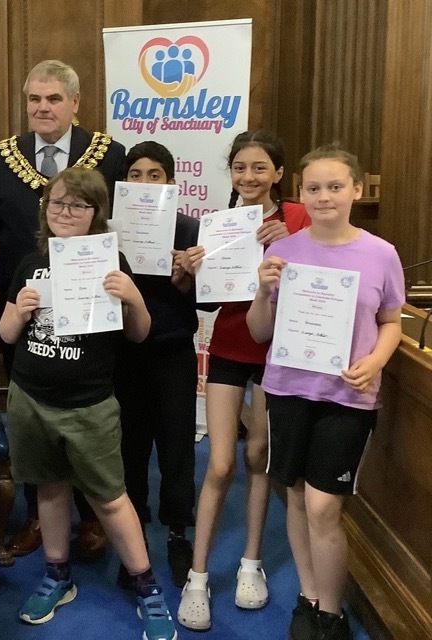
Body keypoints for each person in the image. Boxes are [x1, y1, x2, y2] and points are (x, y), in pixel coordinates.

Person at [0, 166, 176, 640]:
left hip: (89, 403)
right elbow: (6, 333)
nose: (66, 212)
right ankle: (58, 573)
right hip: (30, 397)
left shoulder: (111, 261)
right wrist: (19, 311)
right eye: (57, 203)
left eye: (78, 205)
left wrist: (135, 298)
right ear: (45, 208)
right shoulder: (29, 262)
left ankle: (147, 586)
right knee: (49, 489)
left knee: (110, 498)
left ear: (97, 213)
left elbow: (138, 335)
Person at [247, 144, 403, 640]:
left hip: (347, 398)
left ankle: (332, 612)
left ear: (356, 189)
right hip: (289, 390)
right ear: (301, 194)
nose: (324, 196)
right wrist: (262, 290)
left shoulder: (381, 253)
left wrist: (375, 360)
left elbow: (392, 322)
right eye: (313, 188)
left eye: (335, 186)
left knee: (323, 506)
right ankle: (309, 595)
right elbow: (257, 332)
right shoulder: (282, 250)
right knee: (294, 496)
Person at [0, 58, 126, 560]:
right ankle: (39, 521)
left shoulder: (111, 154)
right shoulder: (1, 158)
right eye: (34, 99)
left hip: (92, 318)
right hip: (26, 308)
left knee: (89, 424)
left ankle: (94, 517)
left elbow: (131, 226)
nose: (42, 108)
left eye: (53, 99)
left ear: (75, 103)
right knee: (31, 425)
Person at [177, 130, 311, 631]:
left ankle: (251, 563)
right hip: (231, 347)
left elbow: (321, 269)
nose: (248, 177)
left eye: (259, 168)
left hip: (280, 351)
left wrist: (293, 243)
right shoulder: (217, 224)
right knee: (219, 464)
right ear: (229, 172)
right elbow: (209, 303)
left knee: (259, 456)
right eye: (239, 168)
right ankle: (197, 575)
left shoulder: (298, 218)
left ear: (279, 173)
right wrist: (193, 271)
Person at [113, 141, 200, 590]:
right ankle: (134, 539)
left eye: (155, 174)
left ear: (170, 181)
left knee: (177, 443)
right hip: (126, 353)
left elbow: (207, 299)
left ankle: (178, 529)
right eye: (136, 173)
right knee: (130, 444)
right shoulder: (110, 230)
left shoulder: (188, 228)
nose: (145, 182)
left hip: (173, 351)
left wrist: (185, 281)